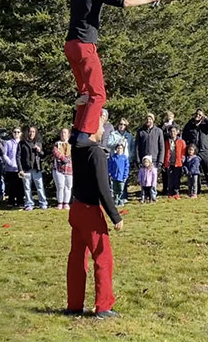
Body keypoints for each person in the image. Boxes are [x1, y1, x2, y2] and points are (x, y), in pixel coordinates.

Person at [65, 0, 168, 144]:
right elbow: (125, 1)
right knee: (98, 95)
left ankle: (76, 132)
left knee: (85, 93)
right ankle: (84, 135)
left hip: (70, 46)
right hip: (85, 46)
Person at [66, 115, 122, 319]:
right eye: (101, 124)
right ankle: (103, 306)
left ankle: (74, 304)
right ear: (92, 128)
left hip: (76, 208)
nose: (104, 129)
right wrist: (115, 216)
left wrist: (80, 108)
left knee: (77, 257)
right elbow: (103, 188)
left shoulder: (77, 148)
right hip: (90, 210)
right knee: (103, 257)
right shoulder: (96, 153)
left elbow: (75, 134)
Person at [182, 109, 208, 194]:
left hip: (204, 151)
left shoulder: (205, 125)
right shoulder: (189, 125)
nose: (198, 116)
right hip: (194, 152)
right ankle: (197, 189)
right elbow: (184, 136)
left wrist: (206, 119)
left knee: (207, 171)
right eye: (196, 114)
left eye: (200, 115)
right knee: (195, 171)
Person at [17, 127, 48, 211]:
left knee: (40, 186)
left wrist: (39, 150)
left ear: (36, 133)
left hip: (36, 168)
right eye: (30, 132)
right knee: (27, 187)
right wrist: (20, 169)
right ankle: (29, 204)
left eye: (33, 132)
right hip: (26, 168)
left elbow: (42, 154)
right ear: (27, 133)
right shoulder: (22, 143)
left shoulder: (38, 142)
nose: (31, 133)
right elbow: (18, 157)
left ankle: (43, 203)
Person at [107, 118, 134, 200]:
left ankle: (124, 197)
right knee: (115, 179)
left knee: (124, 179)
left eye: (124, 125)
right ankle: (116, 197)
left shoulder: (129, 136)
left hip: (125, 160)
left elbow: (132, 148)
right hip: (115, 160)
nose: (122, 126)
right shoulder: (113, 134)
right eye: (120, 124)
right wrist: (118, 141)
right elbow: (108, 144)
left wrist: (131, 158)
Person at [3, 127, 24, 207]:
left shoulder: (22, 143)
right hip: (10, 168)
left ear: (21, 133)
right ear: (12, 133)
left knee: (20, 186)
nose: (16, 134)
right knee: (11, 186)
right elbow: (4, 154)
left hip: (20, 168)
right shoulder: (8, 142)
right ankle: (11, 202)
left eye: (18, 132)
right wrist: (10, 163)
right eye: (15, 132)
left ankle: (20, 202)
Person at [53, 128, 73, 210]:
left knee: (68, 186)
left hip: (69, 169)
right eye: (62, 133)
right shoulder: (57, 144)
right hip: (59, 169)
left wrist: (68, 158)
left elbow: (73, 154)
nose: (63, 134)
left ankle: (66, 203)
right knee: (60, 186)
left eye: (65, 133)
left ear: (68, 134)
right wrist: (63, 158)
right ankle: (60, 203)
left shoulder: (72, 144)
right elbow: (56, 152)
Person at [164, 125, 186, 199]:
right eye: (171, 131)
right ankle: (170, 192)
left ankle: (176, 192)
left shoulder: (181, 141)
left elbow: (183, 152)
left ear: (177, 132)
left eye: (174, 131)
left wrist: (182, 160)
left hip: (178, 163)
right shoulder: (166, 142)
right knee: (170, 179)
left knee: (177, 179)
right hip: (169, 163)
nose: (172, 133)